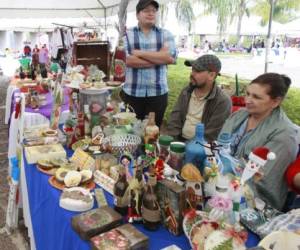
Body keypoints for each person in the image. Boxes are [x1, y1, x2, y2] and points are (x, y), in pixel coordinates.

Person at [218, 73, 298, 211]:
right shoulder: (239, 115)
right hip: (220, 184)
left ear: (275, 102)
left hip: (255, 203)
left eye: (256, 97)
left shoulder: (284, 134)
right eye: (247, 93)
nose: (248, 100)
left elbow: (261, 180)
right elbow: (219, 146)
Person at [120, 0, 177, 127]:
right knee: (130, 130)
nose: (151, 13)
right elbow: (126, 60)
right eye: (146, 10)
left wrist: (138, 53)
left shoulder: (165, 34)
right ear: (137, 15)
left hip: (158, 93)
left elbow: (170, 58)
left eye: (153, 11)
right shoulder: (127, 36)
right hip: (132, 93)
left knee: (152, 133)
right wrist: (159, 58)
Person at [167, 54, 232, 142]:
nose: (192, 74)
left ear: (211, 75)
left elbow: (211, 135)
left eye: (197, 71)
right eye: (192, 69)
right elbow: (175, 119)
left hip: (201, 148)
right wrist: (174, 143)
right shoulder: (186, 91)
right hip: (178, 142)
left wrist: (189, 148)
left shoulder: (222, 101)